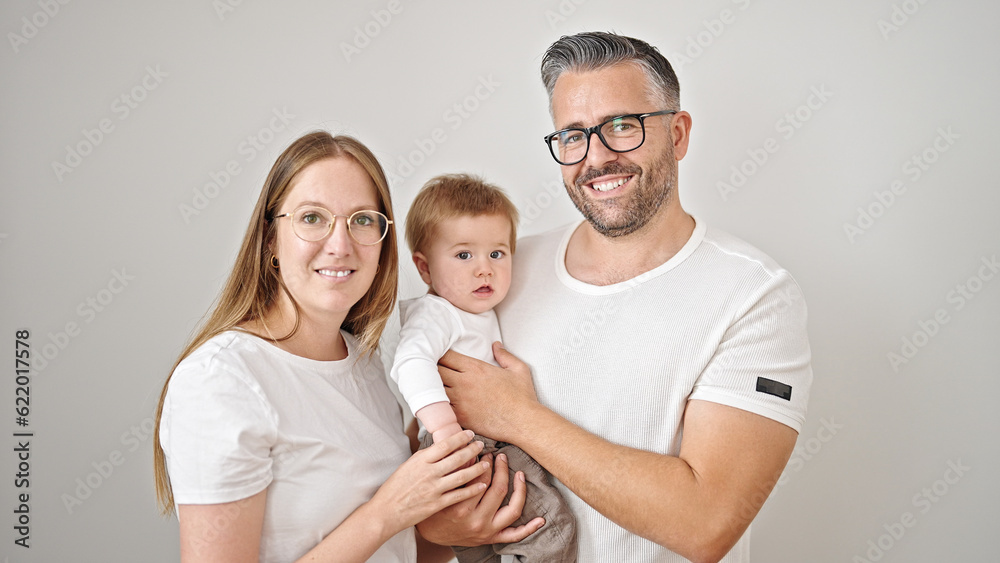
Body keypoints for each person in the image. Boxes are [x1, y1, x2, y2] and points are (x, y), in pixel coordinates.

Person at [421, 32, 813, 562]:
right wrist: (443, 529)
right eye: (573, 136)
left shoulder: (753, 295)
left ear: (677, 134)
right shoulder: (499, 273)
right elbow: (427, 491)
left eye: (622, 126)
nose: (596, 157)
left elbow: (705, 524)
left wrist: (519, 418)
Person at [151, 132, 533, 563]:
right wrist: (385, 513)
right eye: (312, 218)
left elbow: (397, 553)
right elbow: (386, 520)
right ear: (271, 238)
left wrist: (452, 529)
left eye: (362, 220)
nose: (340, 245)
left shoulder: (366, 365)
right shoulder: (221, 380)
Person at [391, 174, 577, 562]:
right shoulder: (437, 312)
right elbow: (410, 362)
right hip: (468, 442)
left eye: (497, 254)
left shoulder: (474, 310)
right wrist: (445, 430)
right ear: (424, 269)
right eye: (463, 255)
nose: (484, 269)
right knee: (549, 525)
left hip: (475, 441)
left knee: (485, 547)